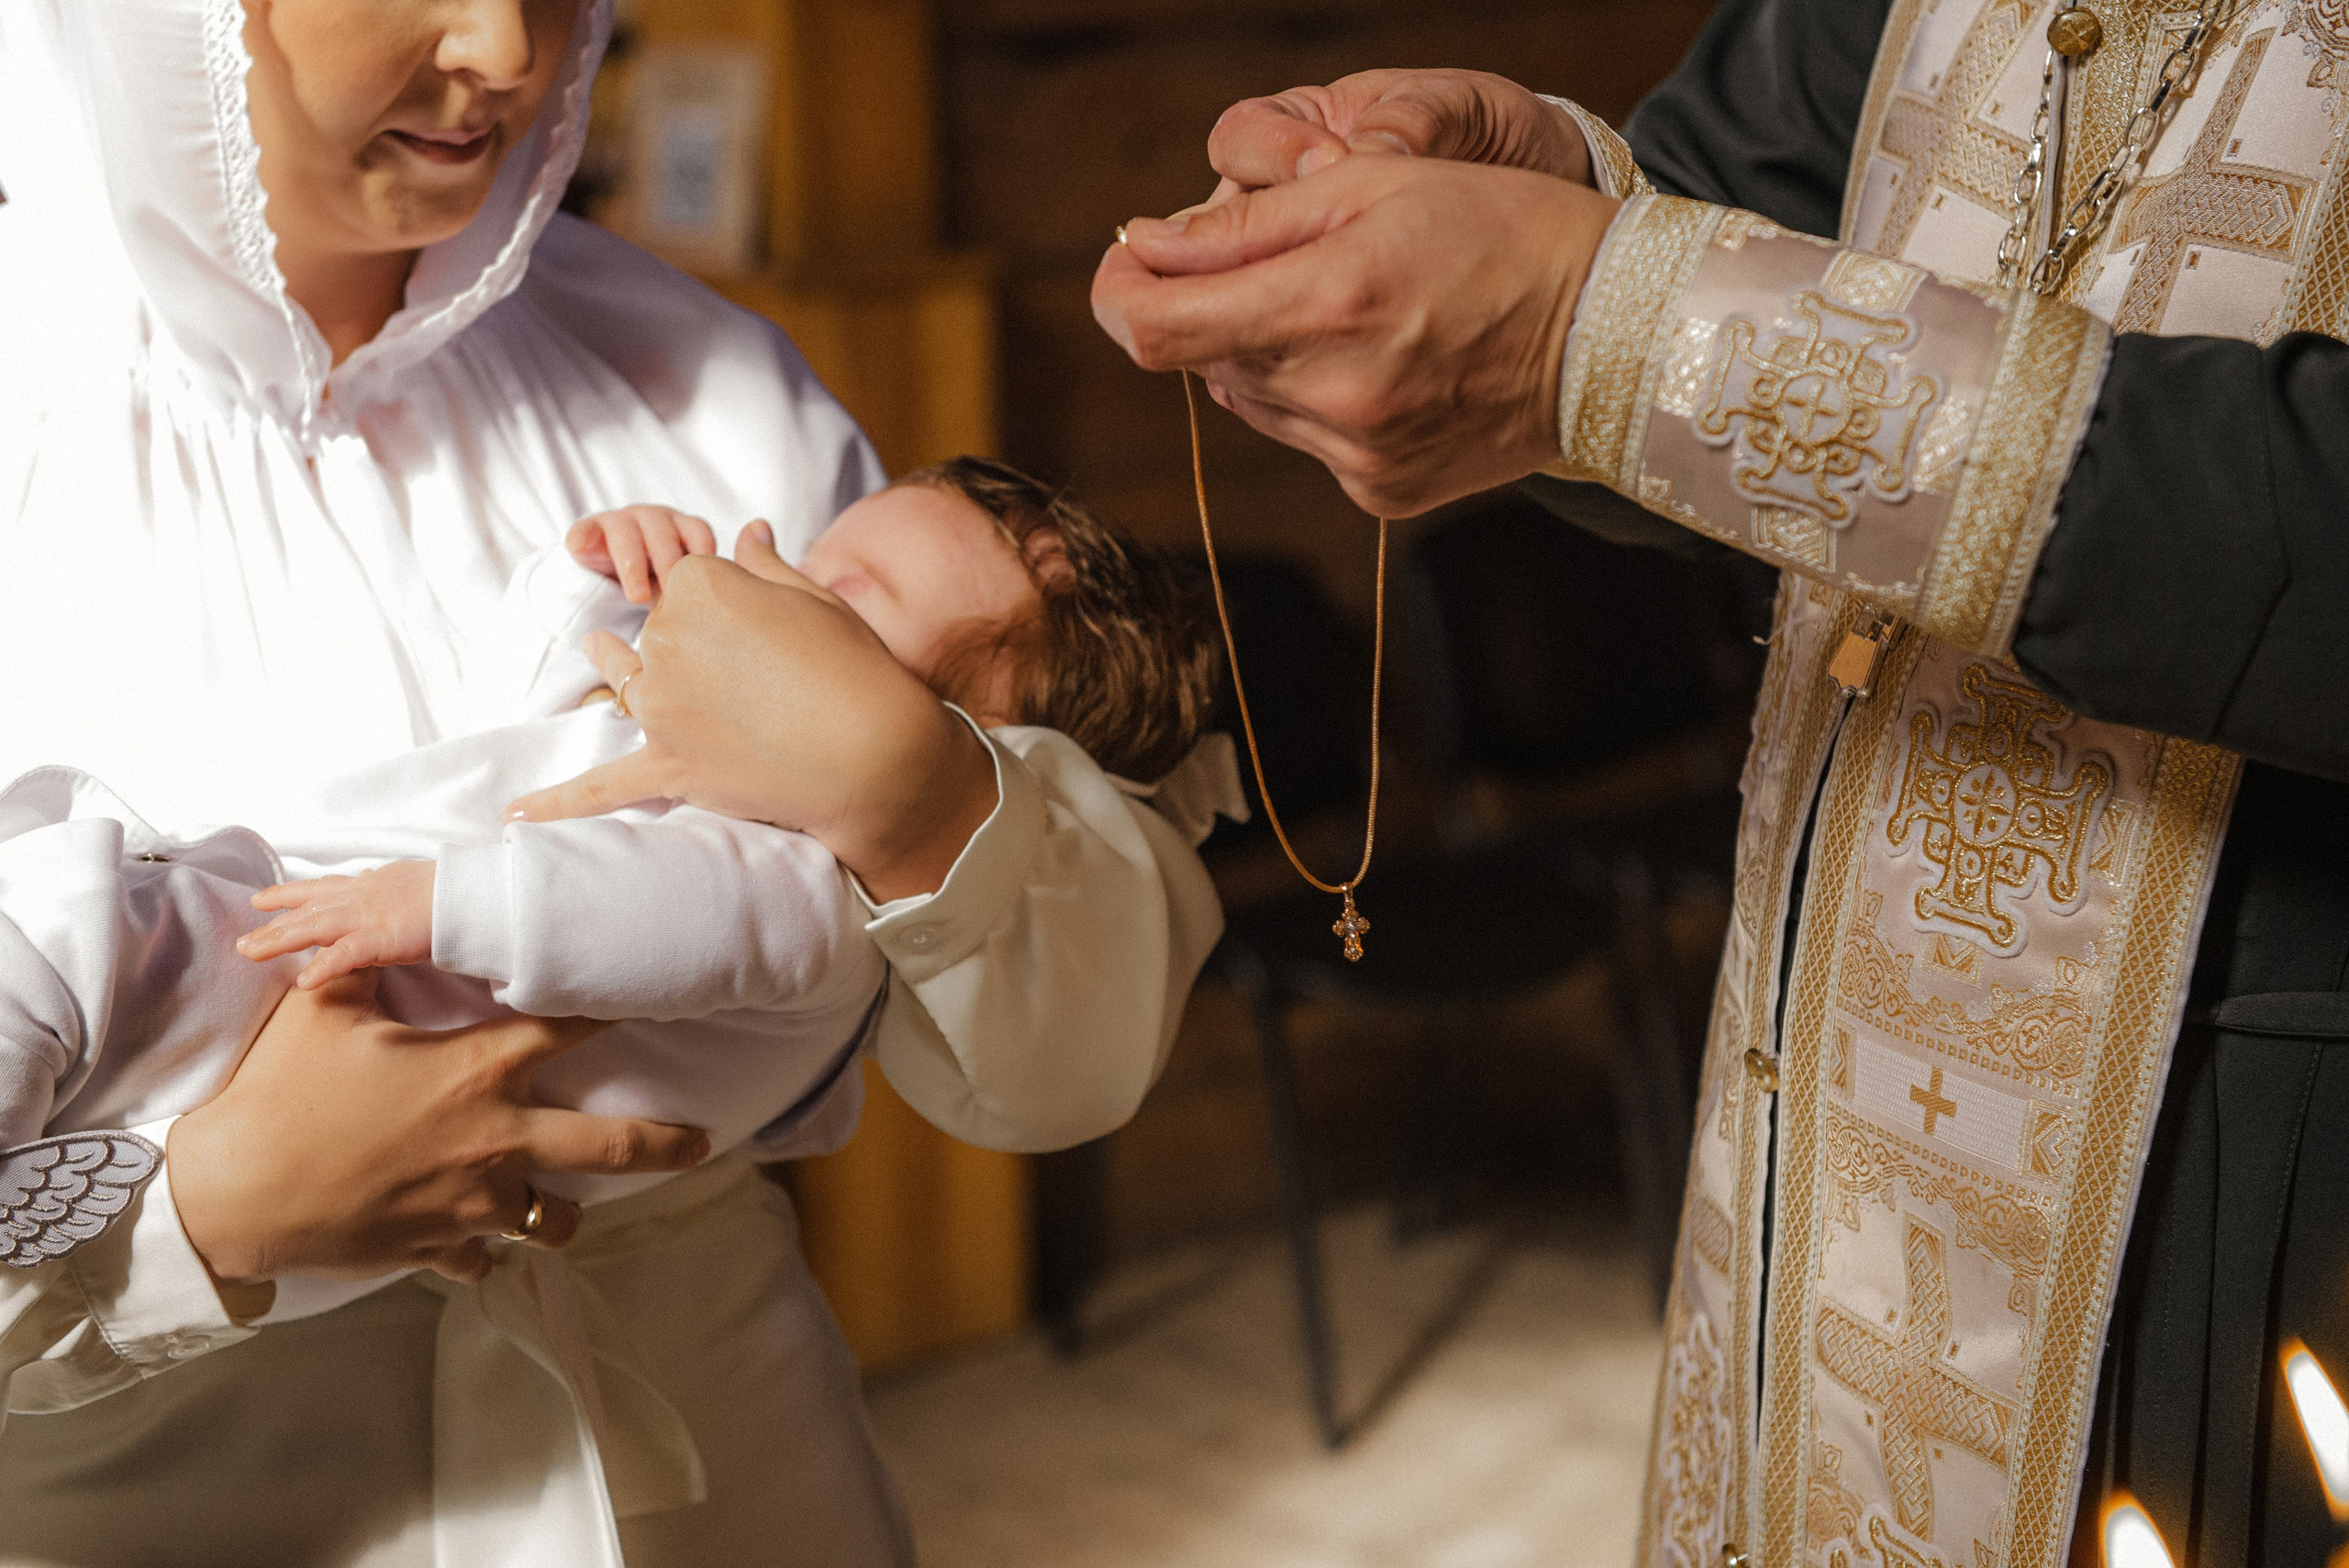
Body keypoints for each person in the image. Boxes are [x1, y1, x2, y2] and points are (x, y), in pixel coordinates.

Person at [1096, 14, 2347, 1568]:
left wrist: (1605, 319)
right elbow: (1753, 203)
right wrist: (1555, 188)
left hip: (2256, 1146)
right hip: (1813, 1059)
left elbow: (1663, 321)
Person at [0, 1, 1219, 1563]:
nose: (510, 50)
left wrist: (921, 805)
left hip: (729, 1475)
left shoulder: (706, 384)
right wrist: (197, 1220)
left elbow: (1063, 1053)